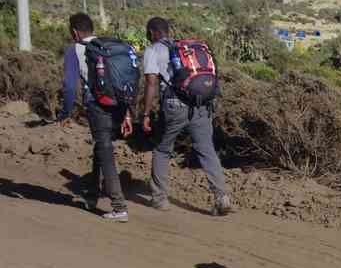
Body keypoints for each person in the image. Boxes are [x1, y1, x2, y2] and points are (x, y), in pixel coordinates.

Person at [140, 17, 231, 215]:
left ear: (152, 32)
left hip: (174, 106)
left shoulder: (152, 50)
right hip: (200, 105)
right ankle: (221, 196)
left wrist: (146, 113)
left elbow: (151, 84)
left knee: (162, 150)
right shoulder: (185, 49)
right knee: (207, 150)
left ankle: (160, 199)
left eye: (148, 33)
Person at [56, 12, 132, 222]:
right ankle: (92, 195)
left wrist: (65, 113)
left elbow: (70, 86)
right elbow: (124, 81)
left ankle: (119, 206)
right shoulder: (110, 46)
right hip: (118, 106)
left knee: (104, 149)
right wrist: (126, 113)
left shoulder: (75, 50)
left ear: (74, 32)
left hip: (97, 107)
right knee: (102, 146)